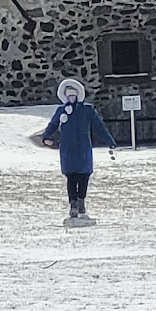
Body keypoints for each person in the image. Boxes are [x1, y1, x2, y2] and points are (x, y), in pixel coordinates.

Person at [42, 78, 117, 218]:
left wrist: (109, 141)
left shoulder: (87, 110)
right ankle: (73, 203)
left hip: (83, 149)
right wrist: (46, 137)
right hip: (68, 149)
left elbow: (99, 126)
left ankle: (81, 200)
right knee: (71, 177)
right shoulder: (62, 111)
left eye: (73, 95)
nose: (71, 98)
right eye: (69, 96)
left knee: (84, 176)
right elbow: (53, 124)